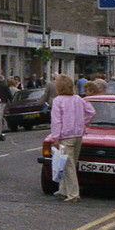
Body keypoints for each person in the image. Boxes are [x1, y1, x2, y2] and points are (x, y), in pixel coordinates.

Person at [47, 74, 95, 203]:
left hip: (65, 136)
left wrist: (55, 138)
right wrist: (82, 123)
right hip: (78, 135)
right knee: (69, 163)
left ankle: (73, 194)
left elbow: (56, 121)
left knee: (68, 166)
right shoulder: (78, 99)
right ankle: (63, 190)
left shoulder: (58, 100)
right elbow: (91, 112)